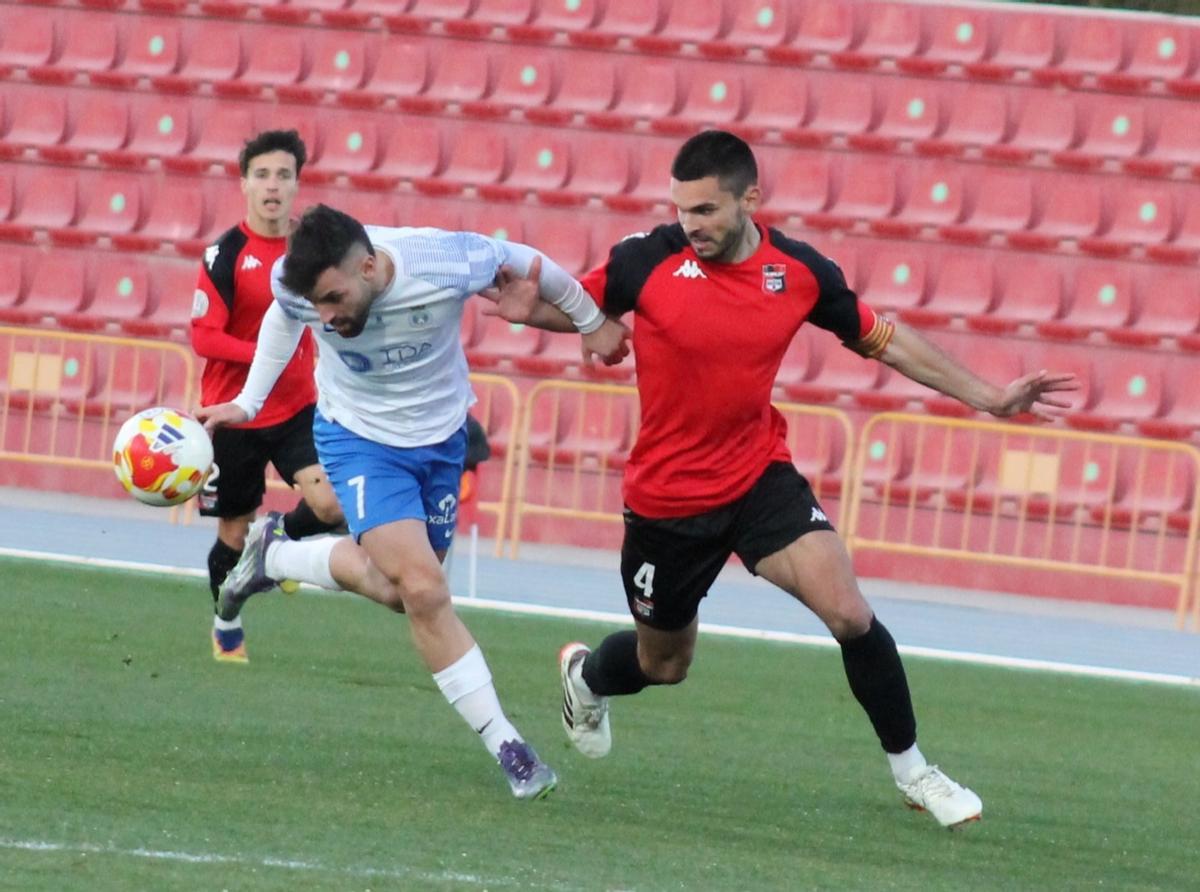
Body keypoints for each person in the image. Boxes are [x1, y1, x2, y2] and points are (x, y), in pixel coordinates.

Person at [486, 129, 1077, 827]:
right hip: (668, 501)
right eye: (682, 209)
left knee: (849, 613)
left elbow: (886, 340)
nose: (690, 224)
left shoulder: (797, 272)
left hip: (757, 478)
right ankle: (586, 677)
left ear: (751, 199)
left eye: (706, 210)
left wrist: (990, 397)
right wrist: (536, 313)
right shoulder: (647, 259)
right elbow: (583, 307)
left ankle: (915, 771)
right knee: (664, 664)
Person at [196, 204, 629, 800]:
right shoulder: (298, 285)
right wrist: (248, 402)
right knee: (426, 590)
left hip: (440, 441)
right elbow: (284, 314)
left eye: (334, 299)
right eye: (318, 304)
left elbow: (530, 262)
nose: (326, 316)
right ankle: (509, 746)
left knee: (401, 592)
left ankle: (275, 556)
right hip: (357, 441)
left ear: (369, 267)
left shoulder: (444, 260)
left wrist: (590, 320)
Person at [190, 129, 344, 664]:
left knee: (330, 505)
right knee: (232, 532)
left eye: (283, 175)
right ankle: (226, 621)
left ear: (297, 184)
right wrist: (266, 352)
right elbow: (204, 337)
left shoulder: (311, 251)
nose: (273, 186)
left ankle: (276, 540)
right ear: (244, 184)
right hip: (232, 415)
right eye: (262, 175)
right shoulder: (225, 253)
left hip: (298, 408)